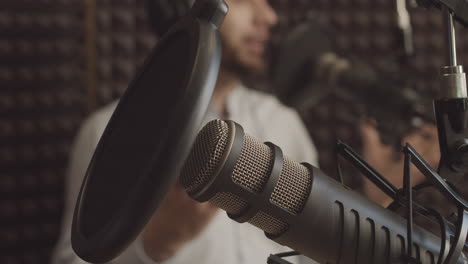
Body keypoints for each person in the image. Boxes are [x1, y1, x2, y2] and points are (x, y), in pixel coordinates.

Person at [52, 0, 320, 263]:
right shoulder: (109, 132)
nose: (269, 16)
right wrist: (159, 242)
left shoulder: (282, 120)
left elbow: (314, 248)